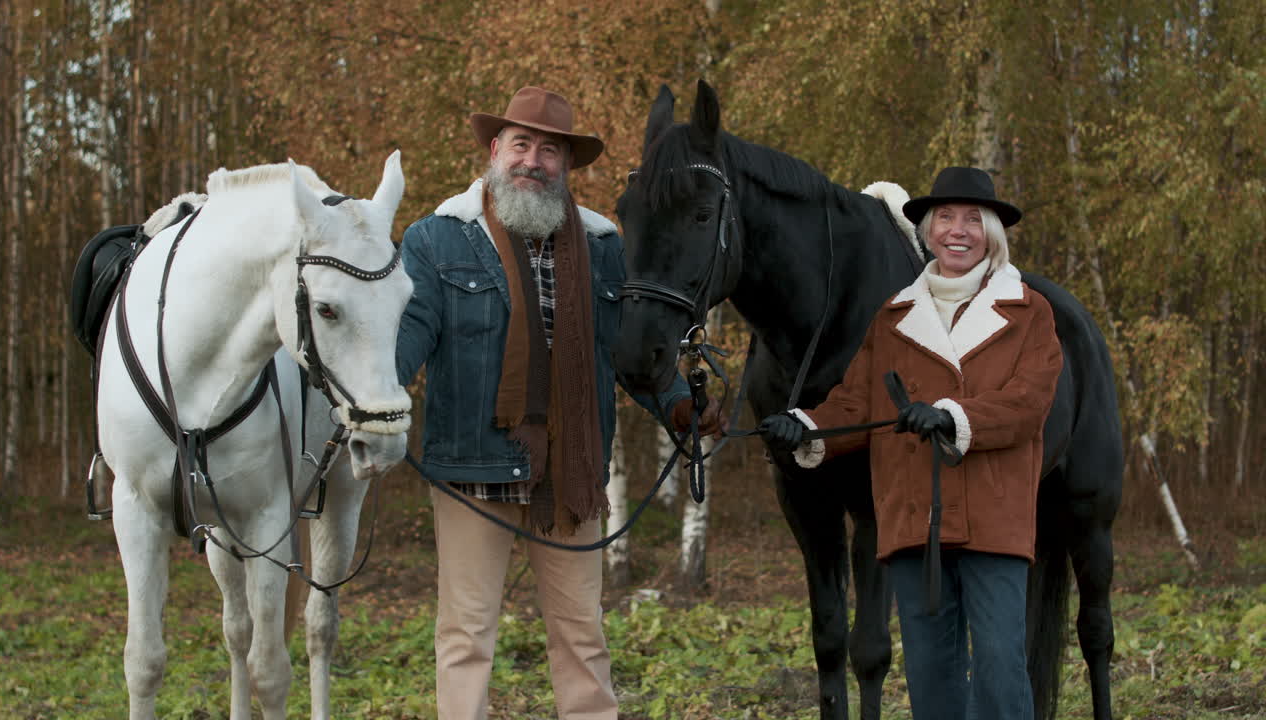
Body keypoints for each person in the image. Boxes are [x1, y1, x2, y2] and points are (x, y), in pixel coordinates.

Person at [395, 86, 720, 720]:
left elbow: (630, 353)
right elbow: (406, 340)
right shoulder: (436, 240)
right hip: (470, 468)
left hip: (572, 473)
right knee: (466, 635)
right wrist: (367, 391)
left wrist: (681, 406)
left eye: (550, 151)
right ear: (495, 150)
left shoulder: (604, 248)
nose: (533, 162)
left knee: (582, 635)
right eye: (522, 145)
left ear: (566, 165)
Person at [758, 166, 1062, 720]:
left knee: (999, 669)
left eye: (974, 219)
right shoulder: (894, 315)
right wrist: (805, 426)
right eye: (945, 217)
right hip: (913, 519)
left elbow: (1028, 404)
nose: (958, 230)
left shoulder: (1029, 311)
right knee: (931, 677)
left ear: (993, 233)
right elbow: (856, 403)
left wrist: (953, 417)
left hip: (995, 518)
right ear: (928, 230)